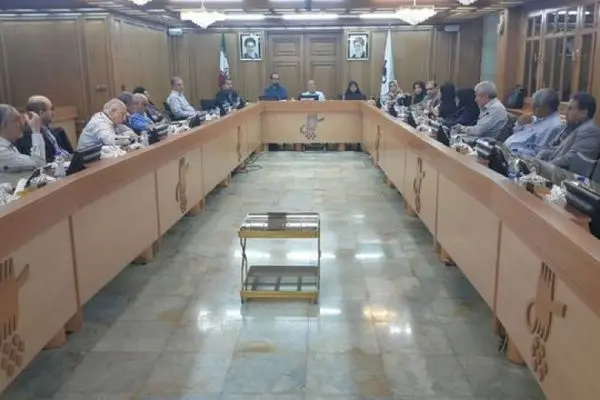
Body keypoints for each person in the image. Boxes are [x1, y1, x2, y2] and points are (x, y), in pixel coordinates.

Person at [537, 92, 600, 170]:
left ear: (583, 113)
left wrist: (541, 167)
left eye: (570, 109)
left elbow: (570, 160)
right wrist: (541, 156)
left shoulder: (590, 131)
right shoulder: (571, 126)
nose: (565, 112)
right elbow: (553, 149)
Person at [504, 88, 563, 157]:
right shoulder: (538, 116)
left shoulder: (553, 126)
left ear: (548, 108)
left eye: (536, 105)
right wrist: (519, 123)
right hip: (507, 150)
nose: (532, 107)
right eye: (533, 104)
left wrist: (514, 151)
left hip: (515, 156)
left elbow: (537, 153)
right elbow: (516, 133)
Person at [16, 95, 71, 162]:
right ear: (41, 113)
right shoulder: (28, 135)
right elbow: (41, 161)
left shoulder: (56, 131)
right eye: (51, 109)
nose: (53, 113)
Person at [0, 104, 47, 182]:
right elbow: (39, 164)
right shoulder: (1, 151)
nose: (22, 124)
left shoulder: (8, 145)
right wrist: (36, 131)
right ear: (3, 125)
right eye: (16, 120)